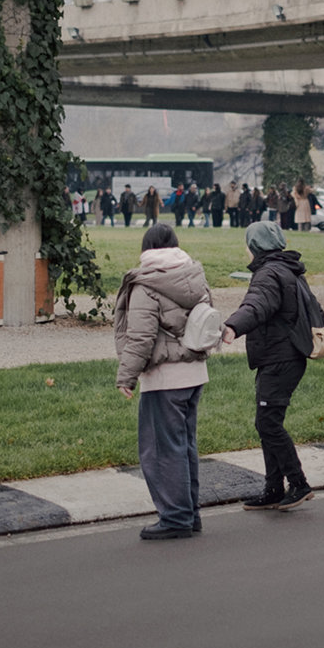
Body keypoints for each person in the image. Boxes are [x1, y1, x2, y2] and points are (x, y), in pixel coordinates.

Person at [221, 221, 324, 511]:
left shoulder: (268, 273)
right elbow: (315, 307)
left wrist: (233, 326)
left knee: (268, 423)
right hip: (283, 357)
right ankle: (273, 488)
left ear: (255, 246)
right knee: (267, 422)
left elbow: (257, 305)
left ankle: (298, 484)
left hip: (280, 359)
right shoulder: (288, 269)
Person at [114, 223, 213, 540]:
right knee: (184, 446)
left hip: (164, 378)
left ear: (146, 249)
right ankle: (190, 513)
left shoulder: (145, 284)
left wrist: (126, 376)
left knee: (161, 451)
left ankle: (175, 517)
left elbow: (140, 337)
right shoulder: (194, 276)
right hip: (195, 373)